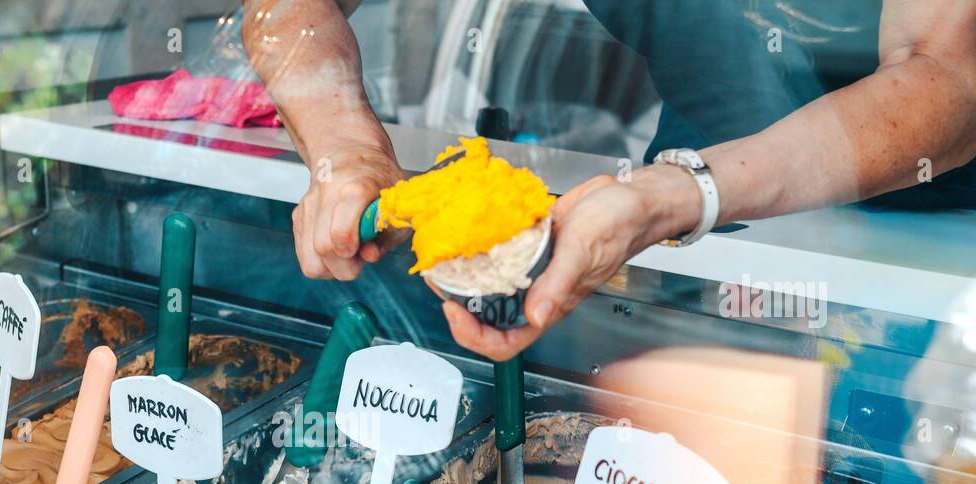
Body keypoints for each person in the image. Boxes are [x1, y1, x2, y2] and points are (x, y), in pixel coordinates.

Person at [242, 0, 976, 361]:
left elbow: (947, 77)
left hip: (924, 265)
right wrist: (347, 151)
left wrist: (683, 192)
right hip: (681, 228)